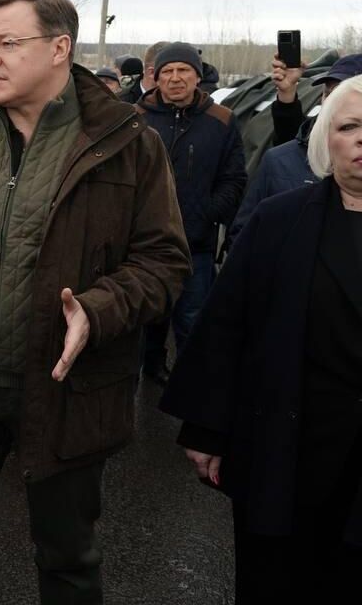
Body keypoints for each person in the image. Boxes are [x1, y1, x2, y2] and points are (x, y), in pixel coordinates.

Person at [0, 0, 189, 604]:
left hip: (66, 386)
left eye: (7, 43)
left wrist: (99, 311)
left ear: (59, 48)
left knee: (68, 556)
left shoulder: (129, 144)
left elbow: (164, 261)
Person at [160, 74, 362, 603]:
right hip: (289, 440)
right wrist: (207, 428)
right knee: (282, 579)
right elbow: (228, 324)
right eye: (350, 126)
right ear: (326, 140)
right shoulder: (280, 220)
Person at [136, 42, 247, 384]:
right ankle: (149, 370)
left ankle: (191, 391)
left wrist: (206, 214)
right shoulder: (136, 118)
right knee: (148, 317)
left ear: (197, 76)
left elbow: (234, 179)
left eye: (183, 70)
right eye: (167, 71)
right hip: (145, 243)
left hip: (194, 245)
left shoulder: (221, 120)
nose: (175, 78)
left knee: (192, 319)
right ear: (155, 78)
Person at [231, 55, 362, 240]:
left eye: (343, 94)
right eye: (328, 92)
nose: (332, 102)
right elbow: (244, 234)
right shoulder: (279, 161)